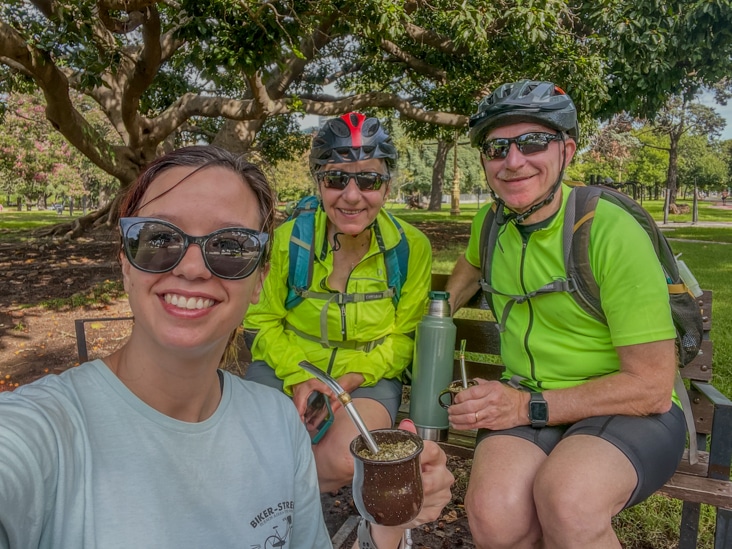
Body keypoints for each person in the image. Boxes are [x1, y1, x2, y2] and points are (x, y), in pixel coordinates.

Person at [0, 146, 452, 549]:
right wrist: (299, 374)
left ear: (259, 278)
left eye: (230, 245)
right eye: (159, 238)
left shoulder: (277, 427)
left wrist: (386, 528)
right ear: (124, 262)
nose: (193, 267)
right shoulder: (41, 435)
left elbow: (404, 334)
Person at [444, 81, 685, 549]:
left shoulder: (608, 230)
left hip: (627, 407)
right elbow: (472, 263)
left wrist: (525, 406)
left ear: (566, 150)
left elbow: (653, 389)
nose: (513, 161)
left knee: (568, 500)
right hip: (528, 395)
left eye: (532, 142)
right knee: (495, 515)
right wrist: (440, 307)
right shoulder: (491, 224)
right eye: (497, 148)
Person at [244, 112, 433, 493]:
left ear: (386, 186)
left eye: (368, 180)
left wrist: (350, 378)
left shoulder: (411, 247)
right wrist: (298, 376)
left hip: (368, 377)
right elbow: (261, 320)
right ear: (318, 183)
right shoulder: (286, 241)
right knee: (252, 449)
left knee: (341, 458)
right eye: (336, 179)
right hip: (286, 367)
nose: (351, 195)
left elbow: (405, 336)